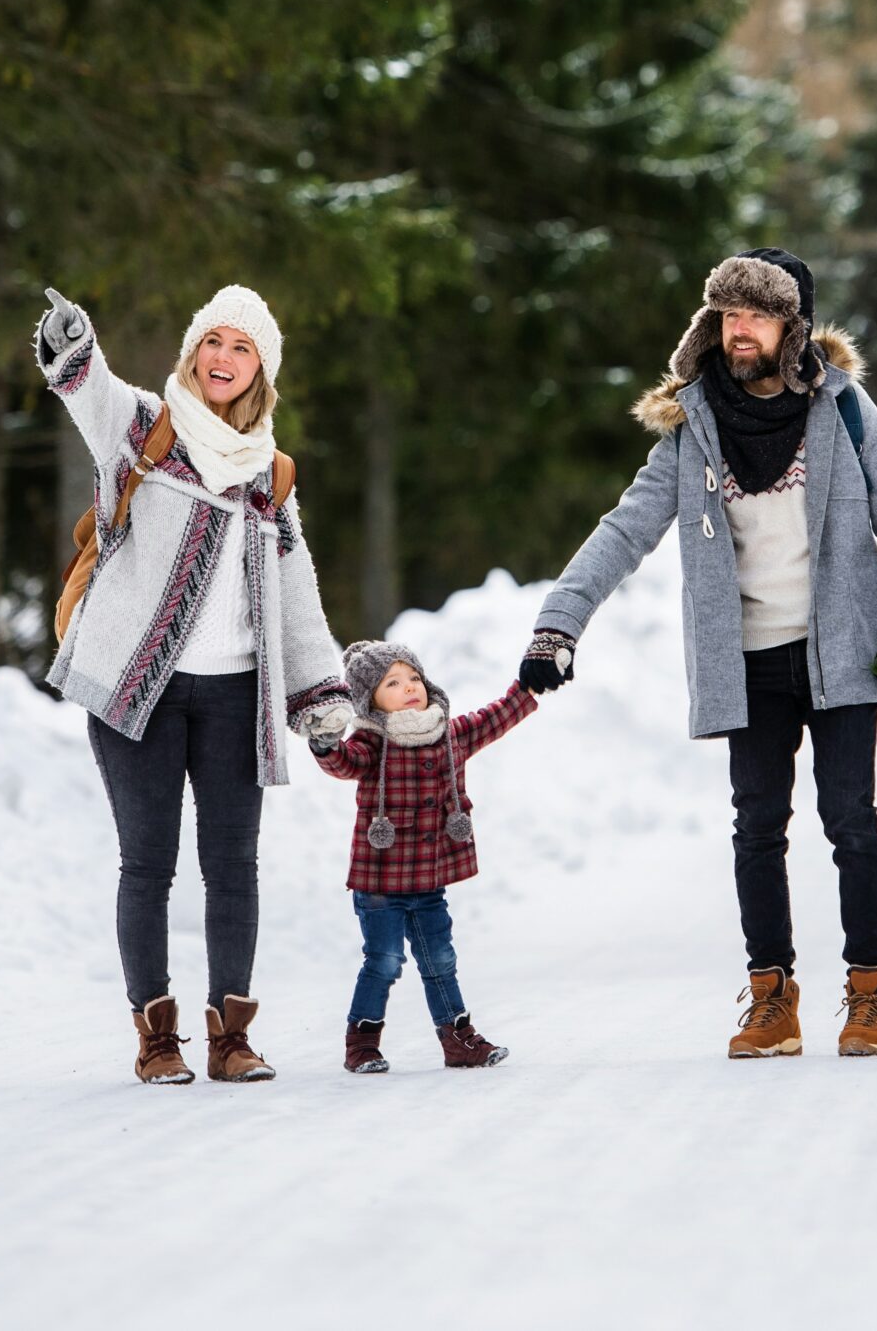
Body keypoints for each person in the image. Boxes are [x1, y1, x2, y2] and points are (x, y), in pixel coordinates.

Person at [520, 248, 877, 1058]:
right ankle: (770, 998)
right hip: (748, 660)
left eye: (757, 312)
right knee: (757, 827)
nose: (739, 327)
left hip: (846, 650)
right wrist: (559, 622)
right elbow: (625, 528)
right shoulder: (694, 425)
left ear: (793, 326)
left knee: (851, 820)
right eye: (728, 312)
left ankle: (868, 992)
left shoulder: (844, 408)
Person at [34, 283, 351, 1085]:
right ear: (192, 350)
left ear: (260, 371)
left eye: (241, 348)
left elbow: (297, 590)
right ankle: (155, 1037)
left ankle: (230, 1036)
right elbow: (90, 391)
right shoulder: (144, 425)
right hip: (138, 687)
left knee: (233, 864)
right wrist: (76, 345)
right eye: (213, 341)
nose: (223, 357)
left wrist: (318, 695)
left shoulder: (270, 476)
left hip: (234, 695)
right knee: (147, 863)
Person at [314, 641, 543, 1073]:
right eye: (393, 682)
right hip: (380, 883)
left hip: (428, 880)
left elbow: (493, 719)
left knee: (441, 959)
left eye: (414, 678)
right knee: (384, 961)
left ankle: (458, 1038)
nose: (410, 688)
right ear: (371, 698)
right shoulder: (372, 741)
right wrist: (326, 746)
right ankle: (362, 1043)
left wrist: (526, 689)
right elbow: (346, 762)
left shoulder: (449, 733)